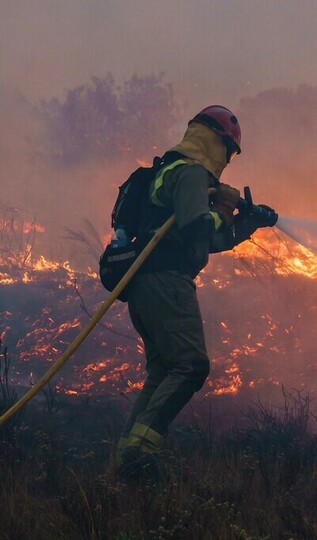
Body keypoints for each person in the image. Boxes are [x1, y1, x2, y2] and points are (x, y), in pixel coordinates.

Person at [116, 105, 277, 477]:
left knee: (162, 372)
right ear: (217, 143)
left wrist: (248, 223)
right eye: (228, 151)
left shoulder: (170, 170)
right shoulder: (190, 173)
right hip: (167, 283)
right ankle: (141, 456)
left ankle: (126, 459)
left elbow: (210, 239)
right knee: (191, 365)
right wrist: (222, 206)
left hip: (146, 285)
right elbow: (196, 229)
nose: (228, 161)